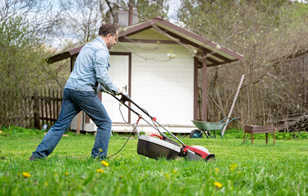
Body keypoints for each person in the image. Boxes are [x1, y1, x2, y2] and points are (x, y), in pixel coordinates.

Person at [30, 23, 121, 161]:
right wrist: (115, 89)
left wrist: (105, 89)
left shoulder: (87, 47)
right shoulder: (101, 50)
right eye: (116, 38)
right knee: (105, 123)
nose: (115, 42)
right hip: (83, 92)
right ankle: (98, 158)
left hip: (70, 89)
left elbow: (88, 74)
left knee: (60, 125)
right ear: (109, 36)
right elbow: (101, 76)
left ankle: (37, 156)